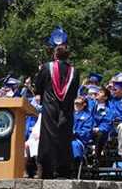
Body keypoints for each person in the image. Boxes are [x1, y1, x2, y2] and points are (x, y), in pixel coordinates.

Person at [33, 44, 80, 179]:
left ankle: (46, 171)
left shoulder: (47, 68)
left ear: (55, 55)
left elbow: (38, 88)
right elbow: (74, 91)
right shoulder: (74, 72)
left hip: (50, 108)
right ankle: (63, 171)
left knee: (48, 138)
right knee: (64, 138)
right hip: (66, 110)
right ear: (68, 56)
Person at [91, 86, 114, 155]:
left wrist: (98, 128)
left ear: (105, 97)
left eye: (101, 92)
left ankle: (96, 156)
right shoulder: (91, 105)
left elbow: (107, 122)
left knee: (100, 134)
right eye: (98, 91)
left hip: (101, 132)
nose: (98, 93)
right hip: (88, 128)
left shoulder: (109, 109)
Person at [72, 97, 94, 162]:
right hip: (66, 138)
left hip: (78, 140)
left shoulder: (88, 117)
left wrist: (75, 133)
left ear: (84, 104)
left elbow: (86, 132)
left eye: (78, 103)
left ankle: (75, 166)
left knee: (73, 145)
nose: (76, 105)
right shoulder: (69, 114)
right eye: (75, 103)